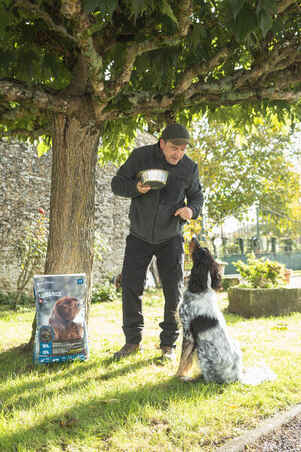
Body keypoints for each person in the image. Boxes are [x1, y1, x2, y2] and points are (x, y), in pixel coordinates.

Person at [111, 123, 203, 361]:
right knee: (131, 287)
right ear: (162, 143)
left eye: (183, 149)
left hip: (170, 237)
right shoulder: (140, 156)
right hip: (139, 235)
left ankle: (168, 346)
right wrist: (135, 188)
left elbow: (197, 197)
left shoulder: (189, 168)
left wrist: (190, 210)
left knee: (173, 291)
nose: (178, 153)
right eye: (174, 147)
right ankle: (132, 341)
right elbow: (117, 183)